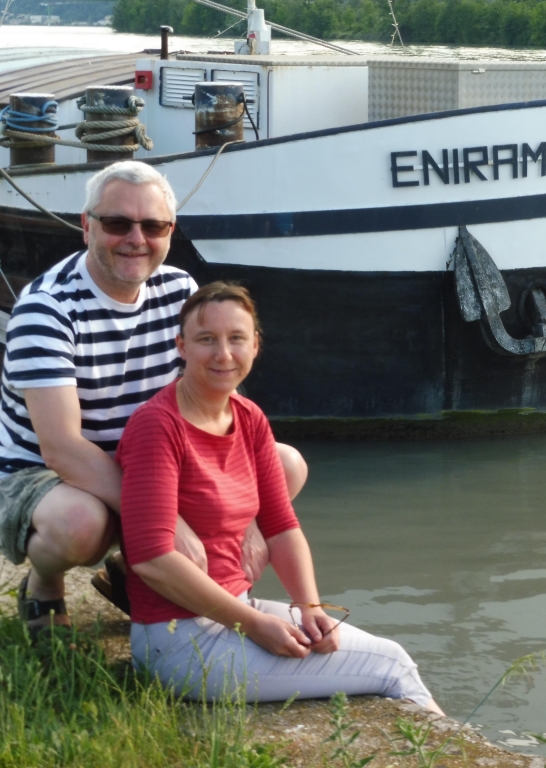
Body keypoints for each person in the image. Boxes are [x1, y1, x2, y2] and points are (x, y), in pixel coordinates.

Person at [0, 160, 305, 633]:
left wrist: (247, 516)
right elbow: (61, 447)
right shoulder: (47, 311)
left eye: (153, 225)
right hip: (45, 471)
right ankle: (45, 582)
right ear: (87, 226)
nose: (135, 239)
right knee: (81, 524)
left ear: (170, 231)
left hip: (148, 458)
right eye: (118, 223)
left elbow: (215, 404)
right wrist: (168, 518)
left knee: (285, 466)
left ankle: (143, 572)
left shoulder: (179, 290)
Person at [118, 282, 441, 711]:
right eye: (206, 340)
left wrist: (309, 605)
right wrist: (254, 624)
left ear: (256, 344)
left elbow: (281, 525)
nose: (224, 354)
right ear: (181, 346)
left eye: (237, 339)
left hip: (233, 611)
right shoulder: (157, 426)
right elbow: (152, 560)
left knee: (384, 655)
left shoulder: (249, 418)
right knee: (391, 667)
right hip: (177, 641)